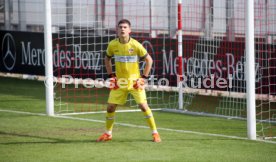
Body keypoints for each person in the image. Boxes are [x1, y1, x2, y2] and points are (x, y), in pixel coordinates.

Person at [96, 19, 161, 142]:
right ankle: (108, 134)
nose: (122, 29)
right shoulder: (112, 45)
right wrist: (111, 76)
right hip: (120, 82)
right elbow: (107, 59)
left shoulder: (136, 45)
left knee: (143, 105)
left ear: (129, 30)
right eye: (120, 27)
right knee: (110, 107)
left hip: (135, 82)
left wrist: (143, 78)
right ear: (117, 30)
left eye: (125, 27)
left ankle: (155, 133)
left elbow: (149, 60)